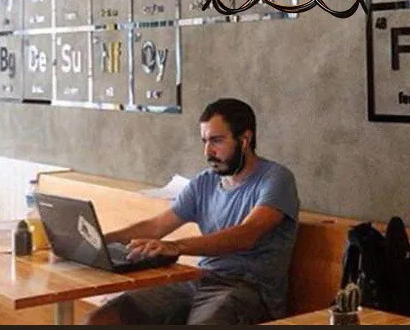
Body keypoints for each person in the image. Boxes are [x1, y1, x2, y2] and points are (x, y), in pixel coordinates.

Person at [86, 98, 300, 326]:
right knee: (102, 319)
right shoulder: (204, 182)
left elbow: (246, 234)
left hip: (248, 289)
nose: (208, 151)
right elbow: (156, 226)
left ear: (245, 139)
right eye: (205, 141)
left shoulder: (276, 179)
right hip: (199, 280)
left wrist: (177, 246)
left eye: (217, 141)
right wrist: (97, 242)